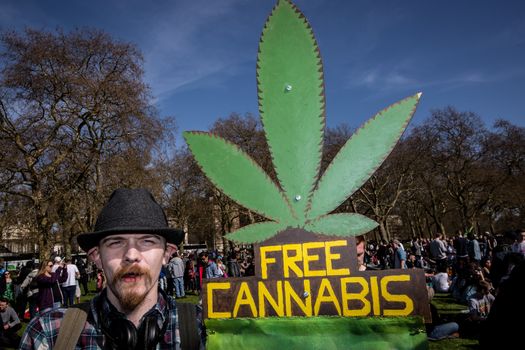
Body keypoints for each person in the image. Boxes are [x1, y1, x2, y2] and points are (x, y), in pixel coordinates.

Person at [19, 188, 186, 349]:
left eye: (148, 241)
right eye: (116, 242)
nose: (131, 254)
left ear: (167, 254)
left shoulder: (204, 329)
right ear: (96, 256)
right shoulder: (48, 333)